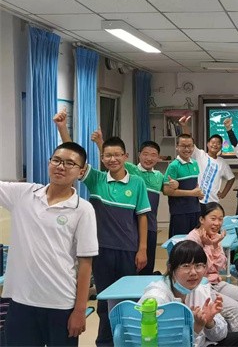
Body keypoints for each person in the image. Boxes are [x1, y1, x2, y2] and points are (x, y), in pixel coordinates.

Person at [54, 111, 150, 346]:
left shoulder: (137, 183)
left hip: (128, 250)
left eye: (117, 155)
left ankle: (128, 339)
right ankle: (105, 341)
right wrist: (62, 128)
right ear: (102, 157)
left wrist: (142, 249)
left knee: (128, 298)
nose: (112, 159)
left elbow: (142, 217)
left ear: (125, 156)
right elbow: (73, 157)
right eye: (108, 155)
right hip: (101, 250)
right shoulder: (96, 179)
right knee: (106, 298)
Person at [1, 142, 98, 346]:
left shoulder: (83, 209)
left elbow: (85, 263)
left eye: (70, 163)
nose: (61, 166)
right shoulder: (23, 195)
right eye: (57, 160)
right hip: (21, 302)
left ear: (81, 172)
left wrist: (80, 310)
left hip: (61, 303)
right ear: (49, 163)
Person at [139, 240, 238, 347]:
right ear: (170, 268)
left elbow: (220, 336)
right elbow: (156, 343)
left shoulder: (200, 290)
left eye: (199, 266)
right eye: (186, 266)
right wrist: (195, 329)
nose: (193, 272)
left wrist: (210, 323)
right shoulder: (156, 299)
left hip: (199, 344)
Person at [91, 129, 165, 275]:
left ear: (158, 158)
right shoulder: (131, 170)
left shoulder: (159, 176)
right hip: (132, 227)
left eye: (153, 155)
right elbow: (112, 158)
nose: (149, 158)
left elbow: (168, 190)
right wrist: (100, 142)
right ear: (138, 155)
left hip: (151, 226)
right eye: (145, 154)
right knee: (132, 266)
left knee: (147, 265)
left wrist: (175, 185)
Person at [186, 202, 238, 331]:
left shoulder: (215, 236)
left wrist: (214, 245)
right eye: (213, 218)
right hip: (200, 287)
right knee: (237, 310)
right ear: (202, 219)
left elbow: (221, 266)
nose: (217, 223)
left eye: (220, 219)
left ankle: (232, 331)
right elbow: (201, 270)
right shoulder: (192, 239)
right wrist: (207, 245)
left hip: (215, 283)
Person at [179, 116, 235, 208]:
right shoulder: (200, 154)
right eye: (213, 142)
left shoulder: (222, 163)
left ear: (221, 147)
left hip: (213, 202)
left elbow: (231, 178)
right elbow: (189, 142)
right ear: (208, 144)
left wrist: (223, 194)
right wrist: (185, 126)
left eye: (218, 143)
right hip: (197, 199)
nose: (215, 145)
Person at [163, 133, 204, 237]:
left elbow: (195, 185)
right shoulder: (173, 166)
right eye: (183, 146)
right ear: (177, 147)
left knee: (195, 241)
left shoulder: (195, 163)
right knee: (180, 242)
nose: (187, 149)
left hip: (195, 209)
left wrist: (199, 194)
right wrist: (192, 193)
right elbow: (166, 191)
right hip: (180, 212)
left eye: (190, 146)